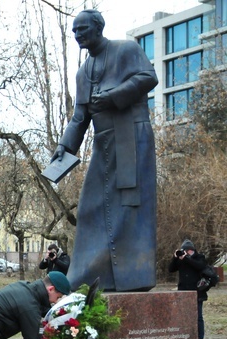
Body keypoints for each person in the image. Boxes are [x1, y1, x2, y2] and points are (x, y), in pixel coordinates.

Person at [51, 9, 158, 292]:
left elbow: (148, 77)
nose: (77, 35)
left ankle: (134, 278)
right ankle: (90, 279)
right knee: (90, 208)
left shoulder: (126, 50)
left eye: (82, 29)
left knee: (129, 208)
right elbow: (79, 117)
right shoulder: (83, 72)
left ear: (98, 28)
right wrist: (64, 146)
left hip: (132, 137)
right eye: (74, 31)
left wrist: (112, 96)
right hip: (104, 142)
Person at [169, 239, 211, 339]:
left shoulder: (199, 257)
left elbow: (200, 266)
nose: (187, 252)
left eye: (189, 250)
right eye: (185, 250)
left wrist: (187, 259)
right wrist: (175, 258)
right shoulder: (181, 259)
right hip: (183, 291)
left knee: (198, 317)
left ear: (193, 250)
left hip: (197, 291)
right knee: (183, 316)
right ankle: (184, 338)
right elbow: (171, 269)